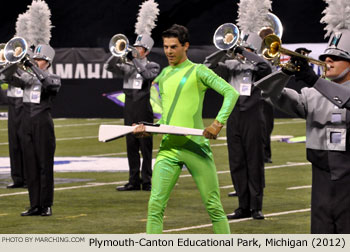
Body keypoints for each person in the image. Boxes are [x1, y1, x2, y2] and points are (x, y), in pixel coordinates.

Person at [134, 24, 239, 234]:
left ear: (186, 46)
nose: (169, 52)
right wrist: (150, 129)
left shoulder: (198, 71)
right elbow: (165, 115)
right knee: (155, 205)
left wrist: (217, 124)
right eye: (165, 47)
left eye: (173, 47)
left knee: (214, 207)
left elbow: (231, 93)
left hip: (195, 147)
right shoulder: (163, 75)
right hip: (169, 147)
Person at [256, 28, 350, 233]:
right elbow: (273, 94)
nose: (328, 61)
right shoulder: (312, 93)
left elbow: (345, 98)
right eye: (325, 57)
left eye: (335, 58)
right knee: (321, 233)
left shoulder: (317, 86)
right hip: (321, 175)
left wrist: (314, 79)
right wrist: (283, 73)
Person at [204, 32, 272, 220]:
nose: (242, 52)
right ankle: (243, 206)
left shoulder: (259, 65)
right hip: (233, 116)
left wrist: (247, 53)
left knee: (254, 162)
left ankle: (256, 206)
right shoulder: (231, 65)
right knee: (237, 162)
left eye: (247, 48)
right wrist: (225, 49)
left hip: (253, 116)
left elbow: (266, 67)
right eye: (241, 48)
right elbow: (208, 65)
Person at [1, 44, 61, 216]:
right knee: (31, 166)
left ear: (47, 62)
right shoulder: (27, 79)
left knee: (45, 165)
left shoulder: (54, 78)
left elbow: (49, 84)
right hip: (26, 123)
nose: (36, 61)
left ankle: (46, 204)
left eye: (39, 59)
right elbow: (5, 77)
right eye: (35, 59)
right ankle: (34, 205)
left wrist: (32, 66)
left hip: (43, 123)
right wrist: (13, 63)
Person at [105, 34, 160, 191]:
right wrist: (117, 53)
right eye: (134, 47)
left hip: (143, 107)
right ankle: (134, 180)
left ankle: (147, 181)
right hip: (129, 107)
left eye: (139, 48)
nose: (135, 50)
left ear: (147, 51)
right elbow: (108, 67)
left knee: (145, 146)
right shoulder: (127, 65)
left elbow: (147, 75)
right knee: (131, 145)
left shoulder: (152, 65)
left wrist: (134, 60)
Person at [0, 44, 27, 189]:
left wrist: (17, 64)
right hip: (12, 103)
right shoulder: (8, 67)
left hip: (25, 103)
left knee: (25, 142)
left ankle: (28, 178)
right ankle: (17, 178)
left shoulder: (27, 66)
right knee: (14, 142)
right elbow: (3, 81)